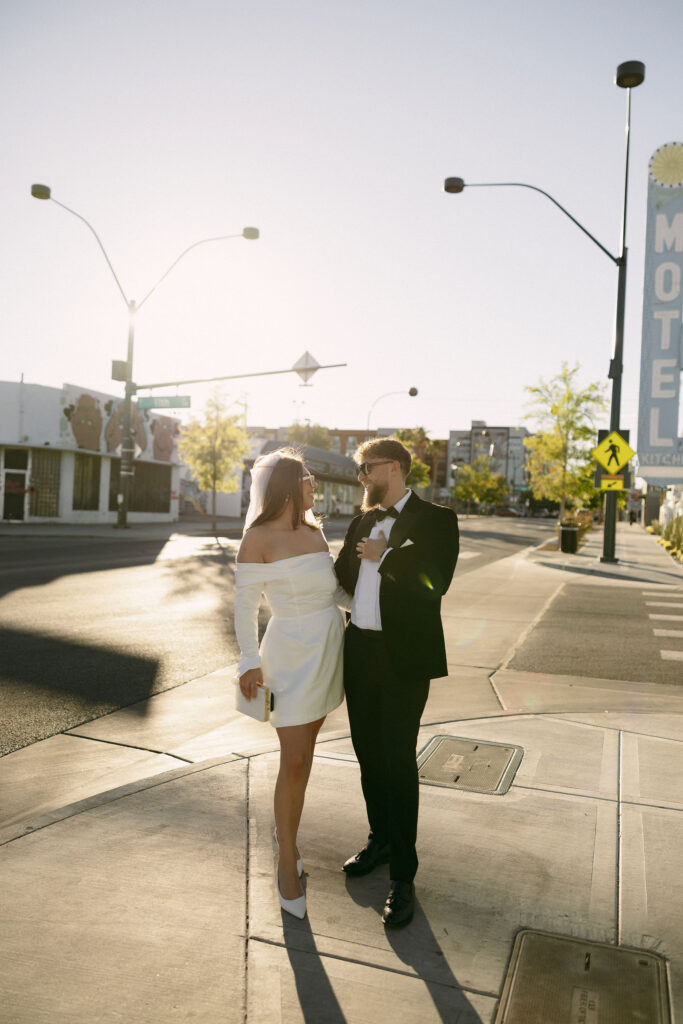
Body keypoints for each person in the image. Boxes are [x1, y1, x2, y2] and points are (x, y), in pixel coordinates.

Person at [335, 438, 459, 928]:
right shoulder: (361, 521)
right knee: (367, 753)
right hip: (360, 652)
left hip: (402, 659)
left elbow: (437, 581)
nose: (362, 477)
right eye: (360, 469)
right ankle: (380, 841)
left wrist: (388, 557)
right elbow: (340, 574)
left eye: (367, 468)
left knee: (398, 759)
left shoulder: (436, 519)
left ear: (395, 467)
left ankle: (403, 876)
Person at [234, 449, 345, 920]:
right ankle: (285, 857)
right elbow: (244, 606)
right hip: (288, 654)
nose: (313, 484)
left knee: (307, 753)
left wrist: (373, 608)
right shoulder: (257, 539)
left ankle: (288, 828)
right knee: (294, 758)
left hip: (327, 649)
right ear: (284, 485)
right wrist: (248, 660)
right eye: (306, 478)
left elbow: (334, 592)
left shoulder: (316, 531)